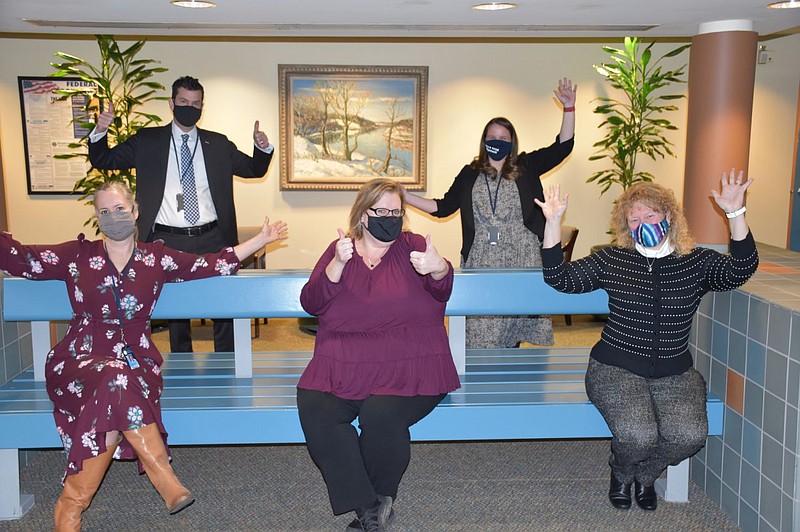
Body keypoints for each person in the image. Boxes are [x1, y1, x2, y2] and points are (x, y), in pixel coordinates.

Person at [0, 181, 287, 531]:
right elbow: (24, 259)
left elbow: (211, 264)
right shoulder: (78, 255)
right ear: (96, 217)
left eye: (120, 209)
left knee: (114, 385)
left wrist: (261, 239)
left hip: (135, 364)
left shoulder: (157, 258)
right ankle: (163, 475)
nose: (113, 217)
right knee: (113, 379)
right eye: (104, 211)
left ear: (135, 212)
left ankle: (70, 506)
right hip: (77, 360)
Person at [535, 170, 758, 511]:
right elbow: (559, 278)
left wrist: (735, 213)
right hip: (615, 367)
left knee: (689, 436)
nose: (642, 223)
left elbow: (741, 267)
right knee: (638, 436)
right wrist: (553, 223)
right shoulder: (613, 259)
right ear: (626, 226)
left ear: (668, 216)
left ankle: (646, 476)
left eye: (650, 215)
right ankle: (622, 473)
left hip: (675, 372)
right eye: (634, 218)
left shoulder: (695, 262)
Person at [297, 178, 460, 532]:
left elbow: (442, 287)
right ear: (363, 213)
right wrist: (336, 267)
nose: (390, 217)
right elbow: (311, 302)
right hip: (344, 358)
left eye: (396, 212)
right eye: (381, 211)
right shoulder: (340, 249)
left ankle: (376, 504)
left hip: (412, 358)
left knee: (380, 414)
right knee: (316, 408)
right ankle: (370, 504)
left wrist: (439, 267)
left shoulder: (414, 246)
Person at [88, 75, 274, 354]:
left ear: (202, 107)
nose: (190, 107)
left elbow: (254, 169)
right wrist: (100, 131)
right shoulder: (147, 141)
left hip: (213, 236)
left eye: (196, 103)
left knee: (222, 304)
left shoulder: (218, 144)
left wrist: (261, 147)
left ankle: (225, 362)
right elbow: (104, 160)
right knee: (177, 312)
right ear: (172, 104)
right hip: (167, 238)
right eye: (184, 102)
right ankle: (181, 360)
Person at [403, 78, 576, 349]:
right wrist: (405, 197)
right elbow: (443, 207)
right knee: (482, 329)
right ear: (484, 141)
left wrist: (569, 109)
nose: (498, 142)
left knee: (513, 328)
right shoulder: (470, 173)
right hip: (482, 256)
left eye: (503, 138)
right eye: (492, 138)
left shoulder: (527, 165)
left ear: (512, 142)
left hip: (523, 257)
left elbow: (562, 147)